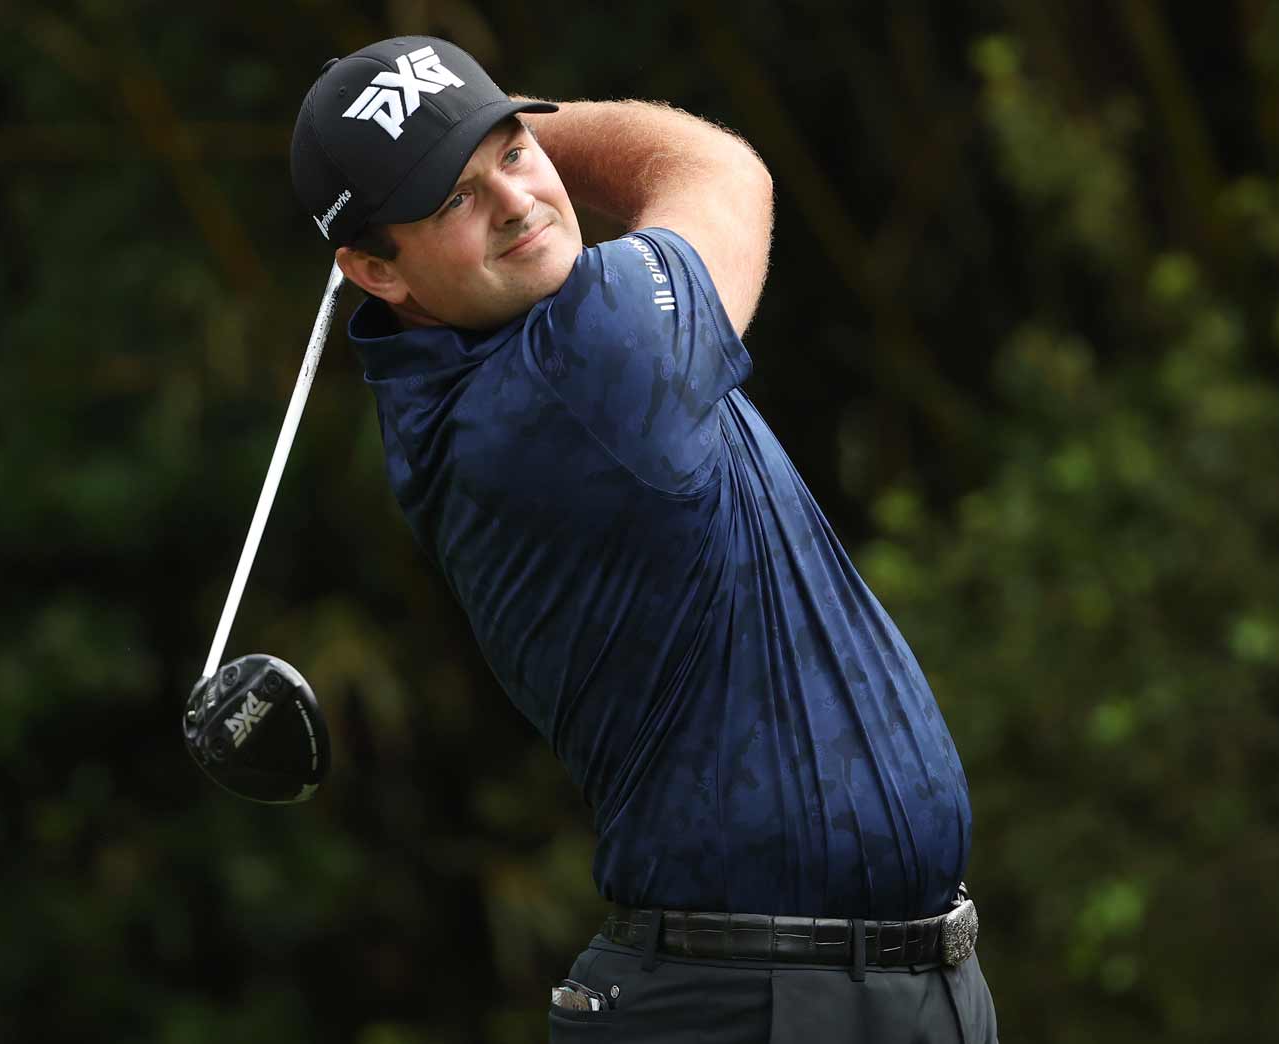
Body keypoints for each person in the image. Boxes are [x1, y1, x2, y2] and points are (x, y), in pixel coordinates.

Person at [290, 36, 998, 1043]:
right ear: (372, 269)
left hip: (838, 988)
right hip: (749, 1004)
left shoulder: (465, 371)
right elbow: (715, 170)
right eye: (450, 199)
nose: (514, 200)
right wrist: (541, 130)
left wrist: (461, 151)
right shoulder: (586, 366)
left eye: (510, 154)